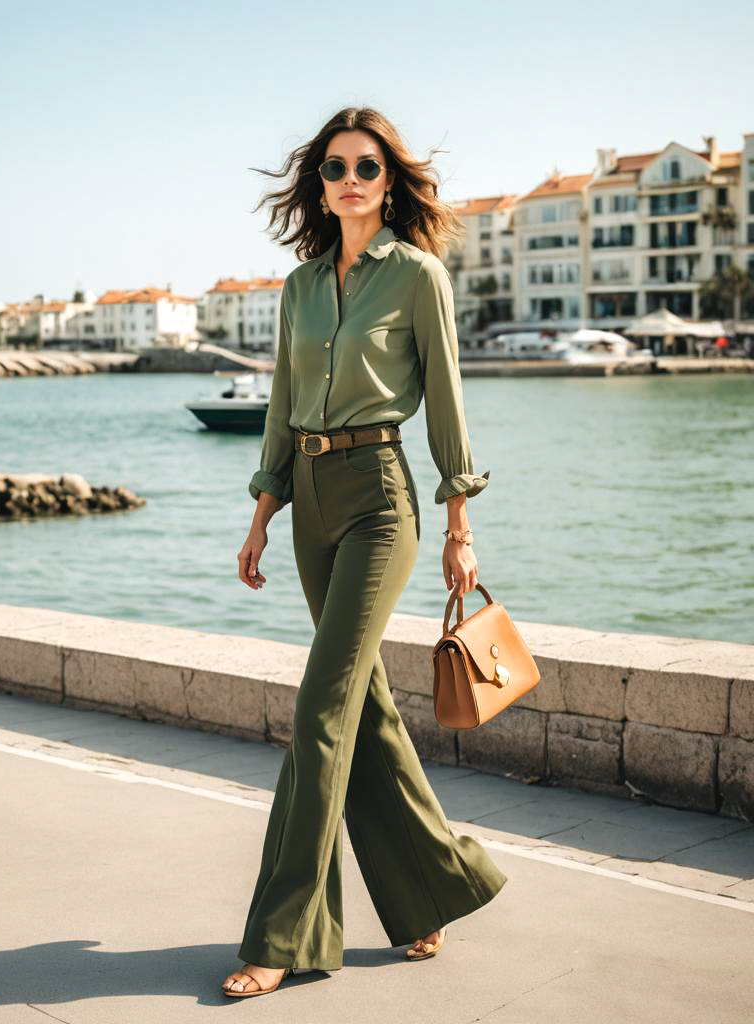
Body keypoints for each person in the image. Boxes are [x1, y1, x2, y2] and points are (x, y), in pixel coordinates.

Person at [222, 107, 508, 998]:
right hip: (306, 501)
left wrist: (461, 528)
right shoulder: (301, 287)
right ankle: (433, 889)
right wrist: (263, 510)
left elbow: (450, 406)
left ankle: (284, 932)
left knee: (321, 709)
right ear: (320, 182)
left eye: (369, 167)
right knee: (365, 713)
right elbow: (279, 403)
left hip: (382, 500)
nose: (351, 179)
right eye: (337, 166)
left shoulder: (418, 277)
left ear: (390, 182)